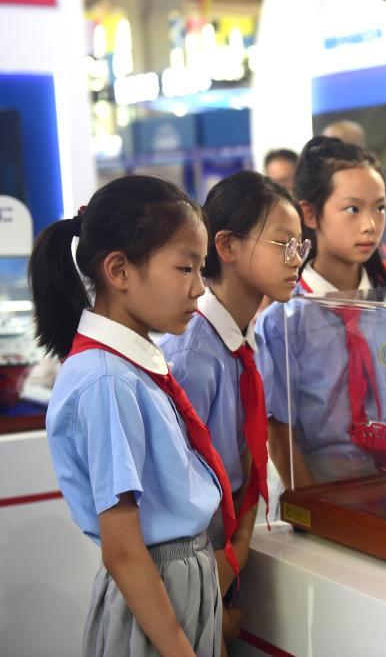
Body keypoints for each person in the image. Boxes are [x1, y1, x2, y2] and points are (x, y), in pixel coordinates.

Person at [30, 175, 232, 656]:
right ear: (119, 270)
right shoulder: (108, 380)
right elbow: (123, 549)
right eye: (185, 268)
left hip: (178, 580)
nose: (198, 288)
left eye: (201, 269)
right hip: (155, 592)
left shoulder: (132, 366)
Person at [158, 171, 304, 650]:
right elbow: (174, 490)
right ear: (227, 245)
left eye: (300, 246)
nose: (296, 260)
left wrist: (237, 550)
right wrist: (209, 585)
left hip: (227, 550)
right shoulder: (193, 356)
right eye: (282, 244)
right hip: (193, 562)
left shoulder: (244, 342)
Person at [255, 136, 386, 487]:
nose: (370, 225)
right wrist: (314, 504)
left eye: (380, 208)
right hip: (318, 490)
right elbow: (278, 433)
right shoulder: (284, 320)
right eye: (353, 209)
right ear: (310, 214)